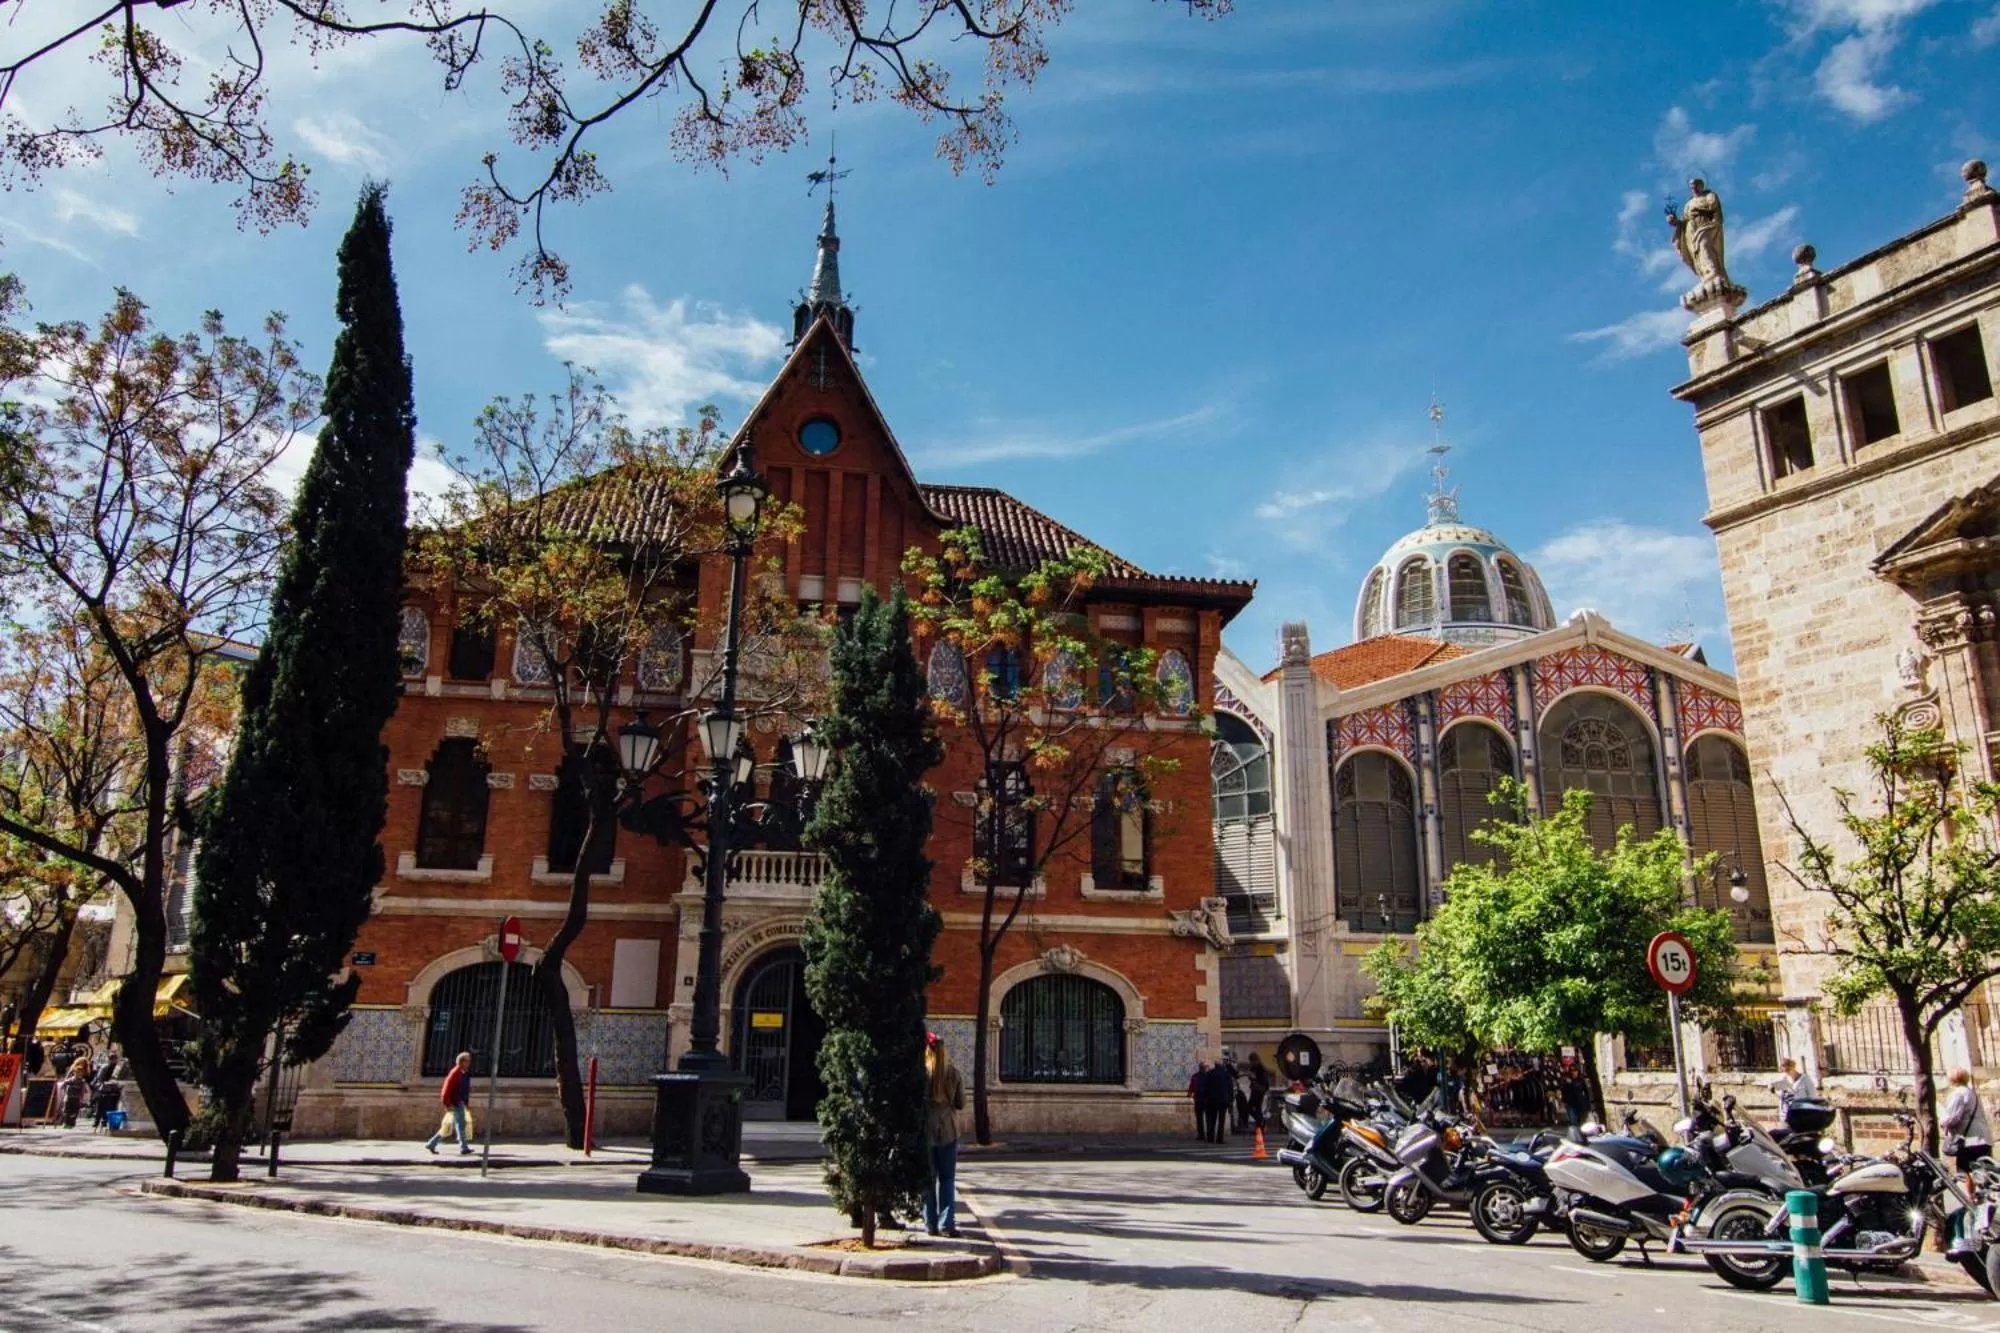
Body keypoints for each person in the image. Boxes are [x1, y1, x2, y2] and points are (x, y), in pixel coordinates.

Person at [922, 1033, 966, 1238]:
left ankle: (930, 1222)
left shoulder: (922, 1074)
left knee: (928, 1178)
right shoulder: (954, 1074)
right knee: (947, 1178)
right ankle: (946, 1223)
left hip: (927, 1129)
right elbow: (961, 1103)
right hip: (949, 1129)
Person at [1943, 1068, 1993, 1177]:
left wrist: (1943, 1123)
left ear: (1952, 1080)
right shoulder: (1973, 1093)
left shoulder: (1958, 1094)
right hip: (1983, 1138)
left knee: (1964, 1173)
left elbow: (1952, 1118)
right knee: (1984, 1172)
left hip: (1968, 1140)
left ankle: (1970, 1194)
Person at [425, 1051, 474, 1155]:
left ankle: (432, 1143)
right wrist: (447, 1104)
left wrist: (466, 1103)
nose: (469, 1063)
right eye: (467, 1061)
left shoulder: (463, 1073)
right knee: (460, 1124)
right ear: (462, 1062)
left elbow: (464, 1089)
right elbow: (446, 1090)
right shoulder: (455, 1073)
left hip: (459, 1102)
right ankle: (463, 1147)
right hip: (455, 1103)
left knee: (453, 1125)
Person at [1198, 1058, 1233, 1144]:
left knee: (1212, 1120)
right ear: (1221, 1065)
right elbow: (1230, 1088)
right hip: (1223, 1101)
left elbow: (1205, 1087)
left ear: (1215, 1065)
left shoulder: (1210, 1074)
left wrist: (1206, 1098)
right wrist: (1230, 1100)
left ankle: (1210, 1137)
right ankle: (1219, 1138)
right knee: (1221, 1121)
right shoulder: (1226, 1074)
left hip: (1212, 1100)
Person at [1245, 1052, 1272, 1130]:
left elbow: (1263, 1081)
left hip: (1258, 1091)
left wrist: (1252, 1078)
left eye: (1251, 1061)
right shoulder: (1255, 1068)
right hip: (1256, 1090)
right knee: (1257, 1108)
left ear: (1255, 1061)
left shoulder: (1260, 1069)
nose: (1250, 1063)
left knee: (1250, 1107)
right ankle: (1259, 1126)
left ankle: (1260, 1121)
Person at [1187, 1061, 1208, 1140]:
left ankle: (1201, 1134)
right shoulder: (1207, 1076)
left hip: (1198, 1099)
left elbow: (1191, 1086)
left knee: (1199, 1119)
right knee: (1207, 1118)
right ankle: (1208, 1134)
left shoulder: (1195, 1076)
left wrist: (1189, 1093)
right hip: (1206, 1100)